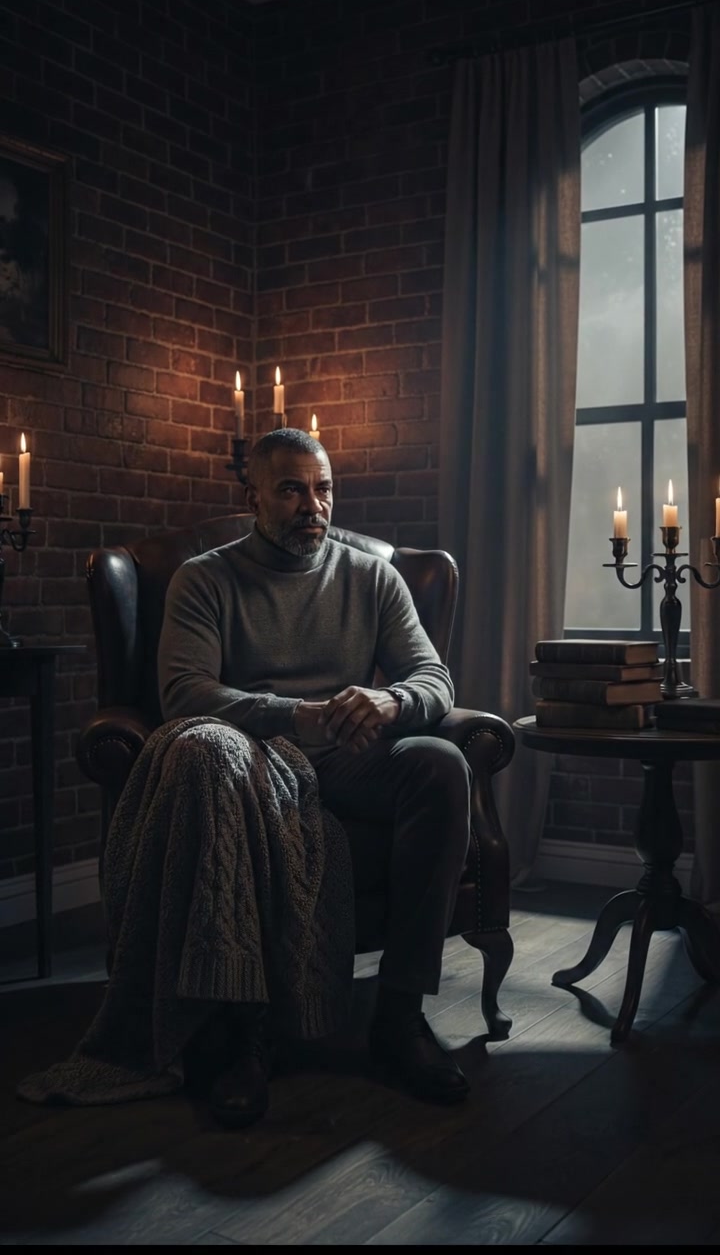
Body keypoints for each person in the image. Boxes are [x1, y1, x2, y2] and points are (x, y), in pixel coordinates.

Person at [153, 426, 474, 1129]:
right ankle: (243, 1033)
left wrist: (392, 700)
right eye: (292, 489)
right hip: (254, 758)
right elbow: (184, 695)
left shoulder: (372, 574)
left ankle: (399, 1019)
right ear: (254, 497)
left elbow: (435, 680)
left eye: (323, 488)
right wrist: (298, 716)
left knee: (441, 764)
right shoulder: (205, 578)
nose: (312, 505)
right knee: (214, 762)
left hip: (351, 754)